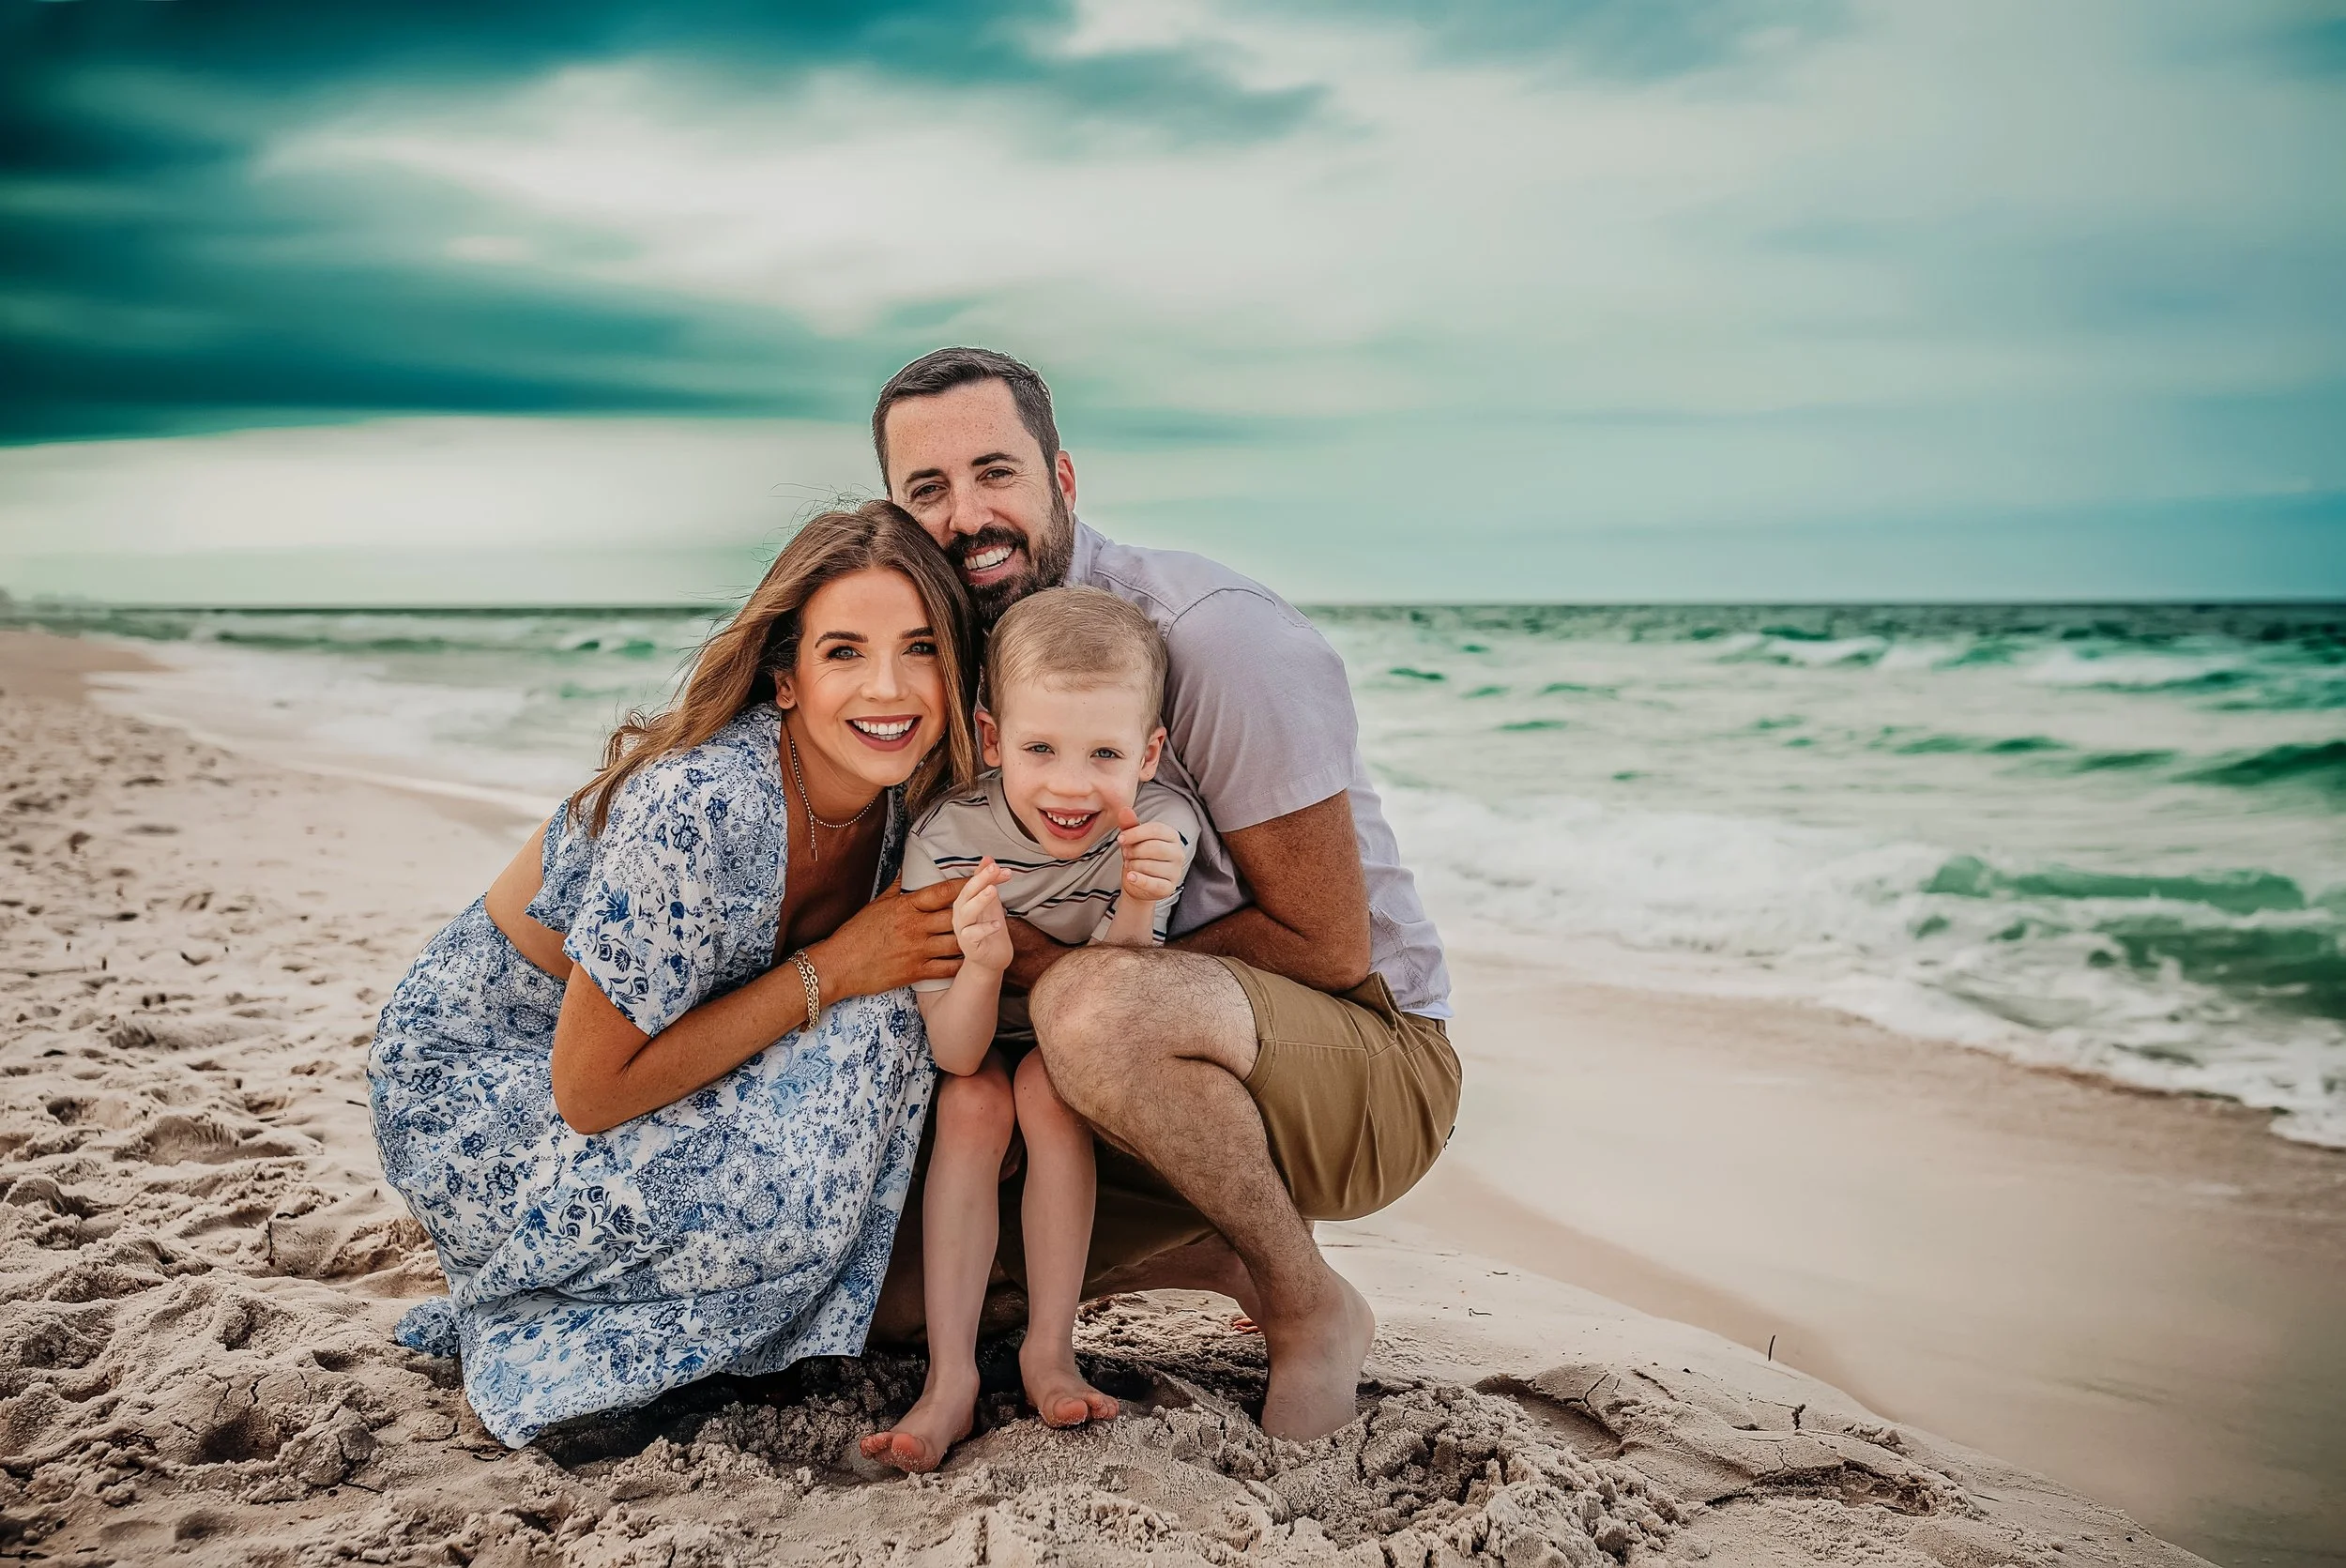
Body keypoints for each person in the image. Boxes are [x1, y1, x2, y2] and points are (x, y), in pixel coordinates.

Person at [870, 348, 1462, 1440]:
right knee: (894, 1301)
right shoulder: (945, 657)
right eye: (929, 490)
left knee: (1091, 1007)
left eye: (996, 473)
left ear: (1063, 480)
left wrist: (1044, 966)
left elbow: (1329, 944)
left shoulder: (1214, 638)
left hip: (1366, 1058)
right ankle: (1222, 1246)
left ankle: (1309, 1307)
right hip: (1099, 1074)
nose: (968, 516)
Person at [368, 502, 978, 1448]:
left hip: (620, 1082)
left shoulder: (910, 807)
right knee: (877, 1013)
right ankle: (556, 1349)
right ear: (786, 678)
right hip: (483, 1098)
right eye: (845, 653)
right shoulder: (700, 807)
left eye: (921, 649)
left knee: (901, 1004)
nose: (888, 688)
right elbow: (587, 1090)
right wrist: (835, 967)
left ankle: (665, 1325)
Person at [861, 586, 1199, 1472]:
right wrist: (980, 961)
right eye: (1039, 747)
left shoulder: (1160, 830)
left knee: (1051, 1094)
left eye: (1105, 752)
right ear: (989, 738)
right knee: (975, 1105)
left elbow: (1114, 1005)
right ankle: (950, 1378)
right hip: (966, 1035)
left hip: (1073, 1040)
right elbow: (956, 1052)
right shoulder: (949, 835)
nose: (1070, 784)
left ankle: (1049, 1347)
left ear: (1150, 753)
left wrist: (1135, 899)